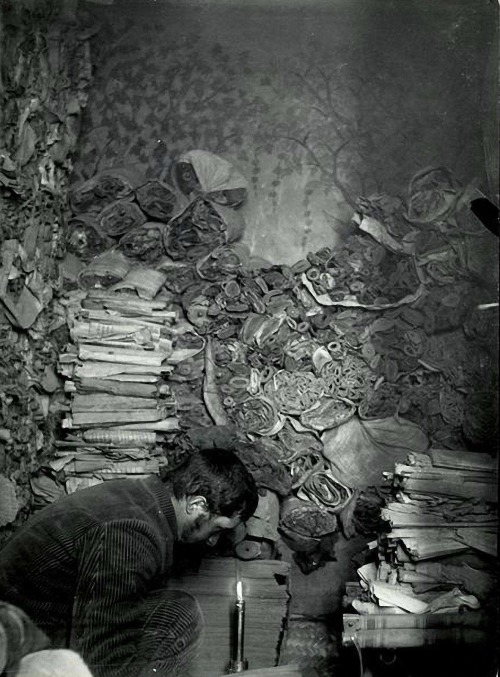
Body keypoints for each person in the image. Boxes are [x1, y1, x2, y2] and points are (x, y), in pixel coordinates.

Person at [0, 447, 258, 677]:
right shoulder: (132, 531)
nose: (213, 541)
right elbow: (100, 656)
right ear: (197, 504)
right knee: (177, 619)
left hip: (49, 621)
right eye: (217, 529)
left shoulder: (142, 499)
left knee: (175, 610)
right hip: (17, 640)